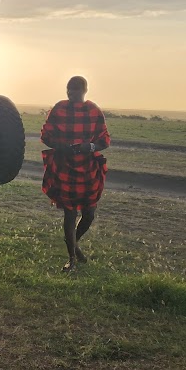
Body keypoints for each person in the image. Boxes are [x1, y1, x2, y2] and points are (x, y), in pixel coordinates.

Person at [40, 76, 110, 272]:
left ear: (85, 90)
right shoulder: (59, 109)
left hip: (88, 169)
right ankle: (71, 258)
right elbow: (46, 136)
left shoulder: (93, 111)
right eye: (69, 89)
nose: (71, 93)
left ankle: (74, 242)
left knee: (89, 214)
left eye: (75, 90)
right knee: (70, 213)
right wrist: (63, 147)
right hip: (65, 167)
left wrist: (92, 146)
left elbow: (105, 140)